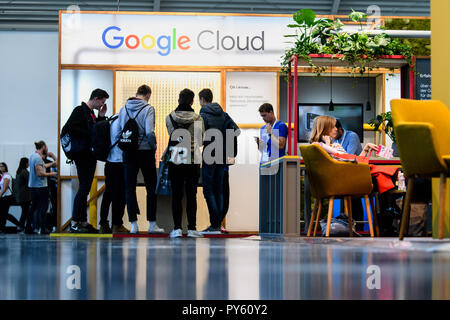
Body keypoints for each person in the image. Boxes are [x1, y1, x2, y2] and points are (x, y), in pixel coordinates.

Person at [118, 84, 164, 234]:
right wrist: (154, 146)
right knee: (151, 186)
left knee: (129, 187)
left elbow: (119, 130)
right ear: (148, 95)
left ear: (137, 93)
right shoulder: (148, 109)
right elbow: (149, 131)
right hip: (145, 151)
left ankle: (133, 224)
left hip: (128, 152)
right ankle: (152, 224)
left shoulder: (123, 108)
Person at [64, 88, 109, 233]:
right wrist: (89, 133)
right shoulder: (80, 111)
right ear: (95, 98)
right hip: (82, 155)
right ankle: (75, 222)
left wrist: (101, 116)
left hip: (89, 155)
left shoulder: (91, 114)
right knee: (84, 188)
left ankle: (83, 221)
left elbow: (97, 131)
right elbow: (71, 128)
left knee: (85, 188)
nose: (102, 105)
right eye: (101, 103)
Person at [165, 88, 205, 238]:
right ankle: (192, 228)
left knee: (176, 194)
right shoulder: (199, 118)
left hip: (176, 158)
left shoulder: (169, 117)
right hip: (193, 159)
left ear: (178, 100)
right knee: (191, 194)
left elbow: (172, 135)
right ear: (192, 101)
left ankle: (176, 228)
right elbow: (201, 140)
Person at [198, 88, 228, 235]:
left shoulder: (203, 114)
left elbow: (198, 138)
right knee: (218, 190)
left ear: (202, 100)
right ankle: (218, 224)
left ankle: (215, 225)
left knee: (208, 190)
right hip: (222, 154)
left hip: (209, 154)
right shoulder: (222, 113)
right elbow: (233, 129)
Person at [99, 114, 128, 234]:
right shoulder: (124, 120)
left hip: (109, 162)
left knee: (108, 194)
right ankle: (117, 225)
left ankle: (103, 224)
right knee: (120, 196)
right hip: (120, 162)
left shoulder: (112, 119)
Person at [309, 115, 377, 158]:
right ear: (324, 129)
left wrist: (366, 148)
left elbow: (350, 160)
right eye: (333, 127)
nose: (336, 129)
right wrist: (327, 144)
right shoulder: (320, 146)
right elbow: (349, 160)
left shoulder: (331, 145)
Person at [27, 141, 58, 234]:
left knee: (33, 208)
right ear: (43, 147)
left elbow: (42, 166)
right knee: (43, 208)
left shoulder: (33, 156)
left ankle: (28, 228)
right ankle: (43, 229)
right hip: (41, 186)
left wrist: (52, 164)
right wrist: (52, 173)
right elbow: (40, 173)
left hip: (33, 186)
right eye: (46, 147)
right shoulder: (38, 158)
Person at [220, 113, 240, 234]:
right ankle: (218, 223)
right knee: (224, 194)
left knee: (217, 194)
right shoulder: (226, 118)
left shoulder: (207, 116)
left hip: (215, 165)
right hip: (224, 166)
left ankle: (217, 224)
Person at [0, 162, 20, 233]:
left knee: (4, 213)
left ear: (5, 167)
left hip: (7, 197)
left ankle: (18, 224)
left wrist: (0, 195)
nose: (1, 168)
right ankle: (2, 227)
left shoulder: (7, 176)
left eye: (2, 166)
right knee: (3, 213)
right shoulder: (2, 176)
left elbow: (5, 188)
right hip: (3, 197)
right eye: (0, 166)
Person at [15, 157, 32, 232]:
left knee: (24, 212)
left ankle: (21, 226)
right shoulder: (25, 172)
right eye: (28, 162)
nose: (28, 164)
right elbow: (30, 182)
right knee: (26, 212)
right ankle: (22, 226)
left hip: (20, 196)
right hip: (25, 196)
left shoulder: (18, 171)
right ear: (25, 163)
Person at [43, 151, 57, 232]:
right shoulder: (40, 162)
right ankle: (46, 227)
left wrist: (53, 157)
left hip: (50, 187)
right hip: (46, 187)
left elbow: (58, 164)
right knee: (46, 209)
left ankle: (50, 226)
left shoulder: (47, 162)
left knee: (52, 208)